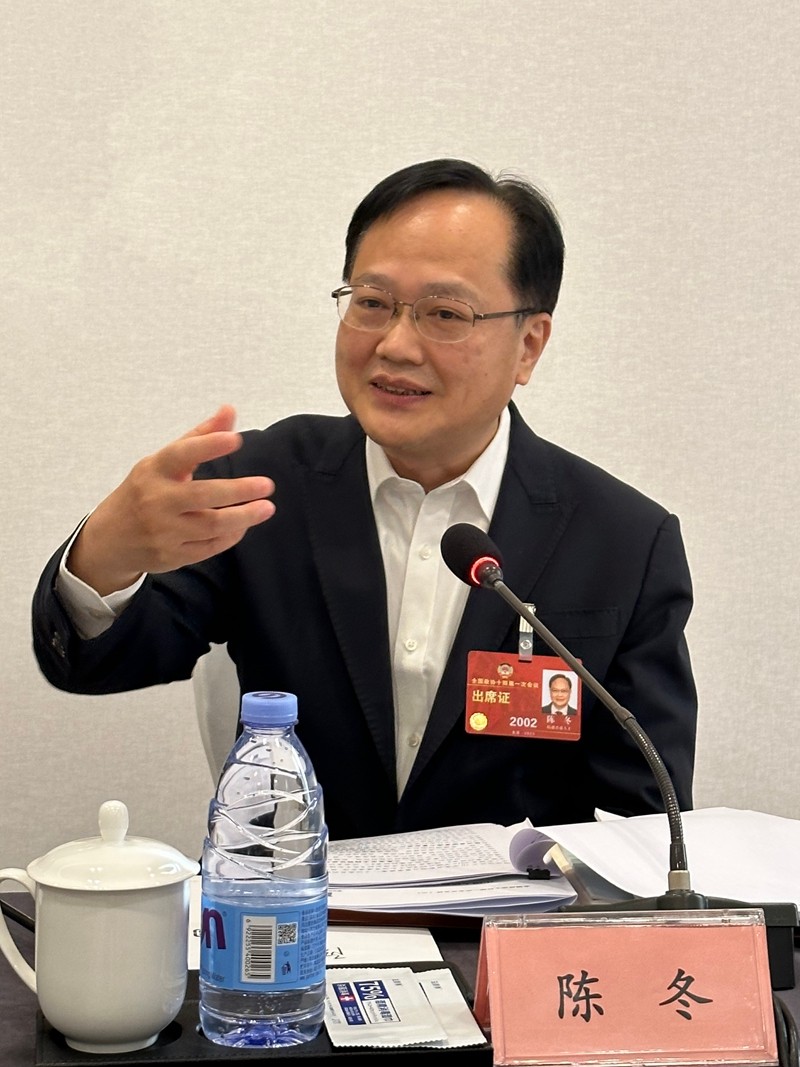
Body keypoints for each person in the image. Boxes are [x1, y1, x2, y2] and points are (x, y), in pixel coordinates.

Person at [32, 158, 697, 839]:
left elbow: (648, 818)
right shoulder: (261, 487)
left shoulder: (623, 542)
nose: (395, 345)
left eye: (445, 313)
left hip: (516, 907)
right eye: (372, 303)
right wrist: (106, 556)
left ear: (528, 346)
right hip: (300, 896)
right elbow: (99, 662)